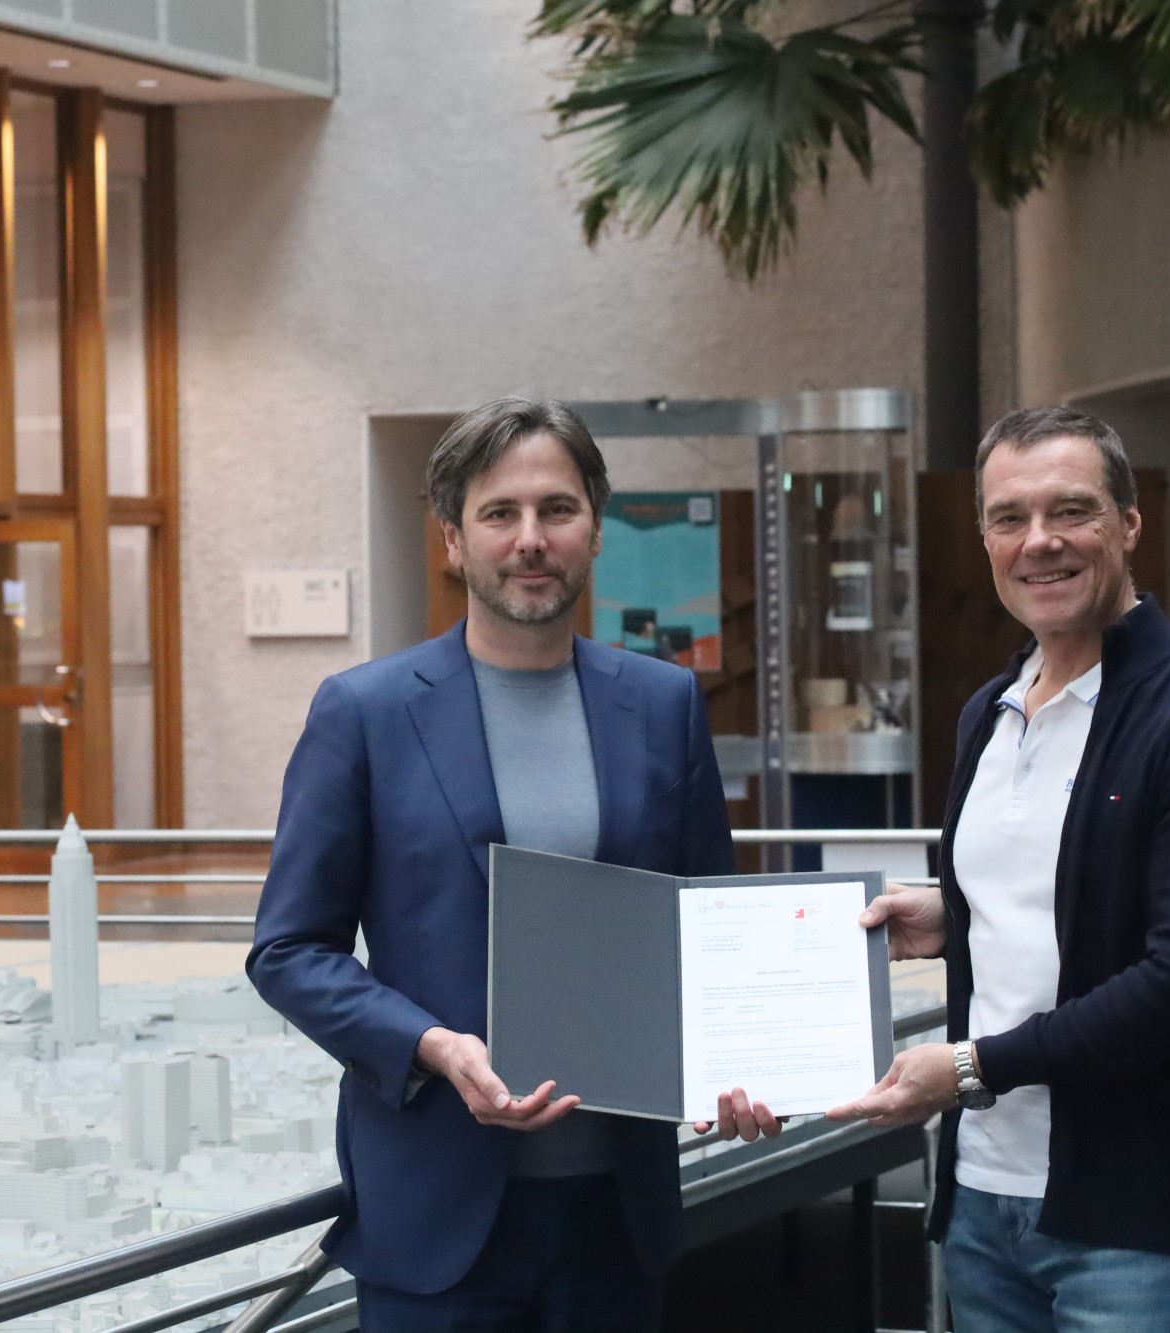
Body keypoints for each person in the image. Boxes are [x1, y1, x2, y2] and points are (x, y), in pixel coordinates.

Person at [247, 397, 777, 1333]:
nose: (531, 538)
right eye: (500, 512)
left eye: (556, 509)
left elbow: (710, 926)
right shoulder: (365, 713)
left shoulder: (663, 706)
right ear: (455, 540)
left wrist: (743, 1062)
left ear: (594, 530)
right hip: (434, 1217)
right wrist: (432, 1046)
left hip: (617, 1215)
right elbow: (288, 950)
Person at [827, 406, 1170, 1332]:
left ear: (1129, 523)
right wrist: (957, 915)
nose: (1039, 541)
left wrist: (972, 1066)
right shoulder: (990, 713)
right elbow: (1068, 890)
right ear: (986, 539)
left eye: (1071, 510)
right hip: (982, 1198)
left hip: (1137, 1219)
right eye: (1010, 517)